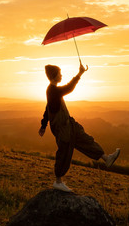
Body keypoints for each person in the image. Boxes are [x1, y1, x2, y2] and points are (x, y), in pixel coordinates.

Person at [39, 62, 120, 192]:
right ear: (54, 76)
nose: (61, 75)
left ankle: (106, 158)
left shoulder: (53, 90)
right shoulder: (53, 90)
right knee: (64, 152)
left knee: (86, 140)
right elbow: (69, 88)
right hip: (63, 129)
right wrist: (80, 73)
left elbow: (47, 109)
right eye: (60, 73)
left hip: (70, 125)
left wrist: (43, 125)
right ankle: (58, 181)